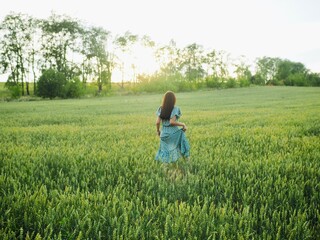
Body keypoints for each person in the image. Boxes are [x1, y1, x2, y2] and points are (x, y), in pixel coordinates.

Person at [155, 91, 190, 163]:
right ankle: (187, 163)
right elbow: (172, 122)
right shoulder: (175, 109)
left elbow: (157, 122)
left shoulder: (161, 108)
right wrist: (183, 124)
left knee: (165, 151)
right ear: (174, 99)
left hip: (164, 133)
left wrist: (158, 131)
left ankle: (166, 167)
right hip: (174, 133)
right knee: (181, 146)